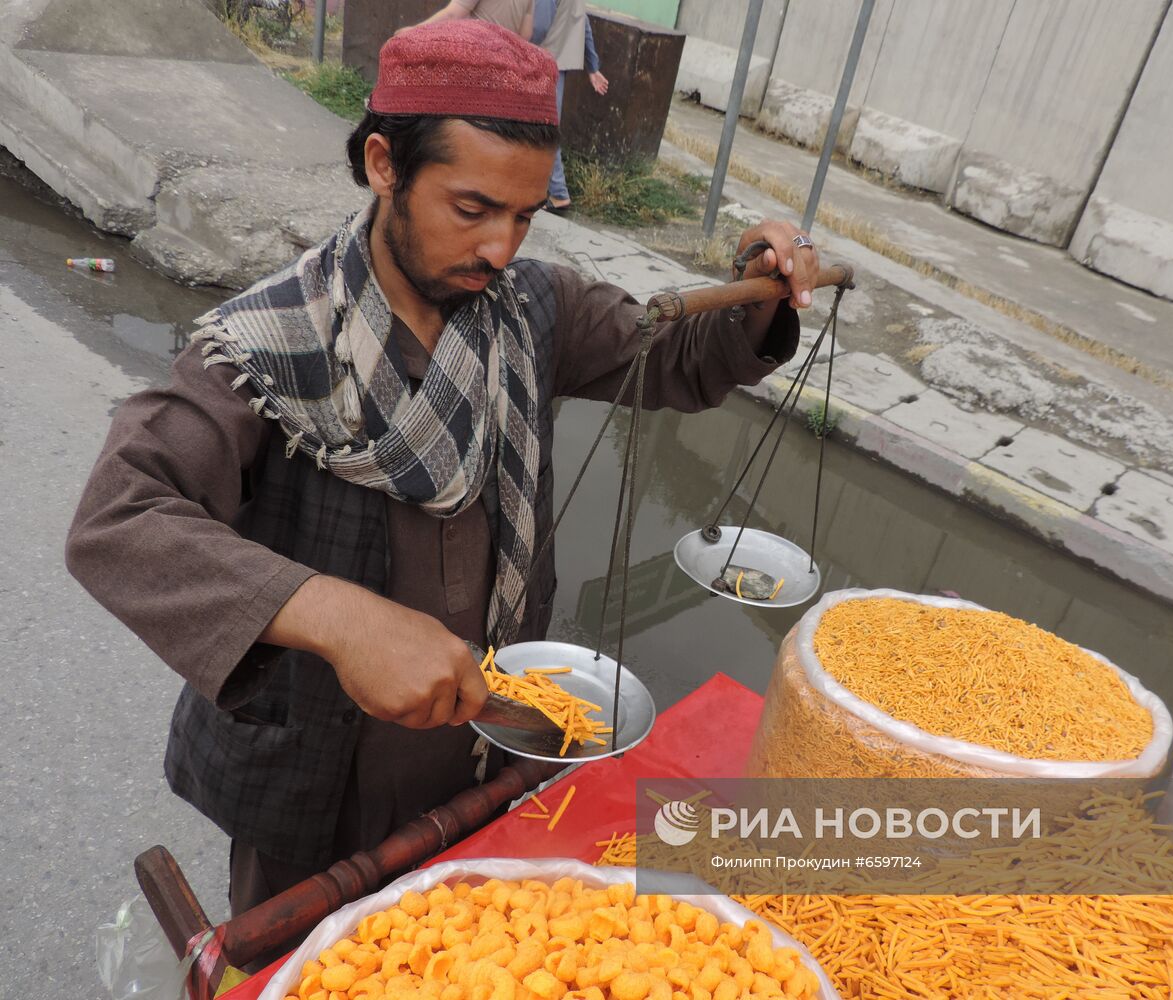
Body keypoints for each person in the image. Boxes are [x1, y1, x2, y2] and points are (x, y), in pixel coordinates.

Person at [65, 18, 819, 938]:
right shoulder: (267, 348)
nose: (500, 247)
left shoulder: (534, 311)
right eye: (471, 209)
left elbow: (676, 358)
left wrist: (756, 284)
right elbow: (120, 518)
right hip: (313, 777)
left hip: (491, 748)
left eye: (524, 216)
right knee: (302, 958)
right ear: (385, 164)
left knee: (469, 950)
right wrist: (340, 619)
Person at [531, 0, 607, 212]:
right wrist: (593, 66)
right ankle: (553, 190)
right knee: (546, 124)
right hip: (557, 62)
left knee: (543, 126)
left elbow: (538, 26)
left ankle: (558, 192)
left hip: (540, 59)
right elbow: (582, 22)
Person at [418, 0, 533, 40]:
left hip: (474, 63)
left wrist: (415, 30)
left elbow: (452, 15)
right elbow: (525, 35)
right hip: (505, 70)